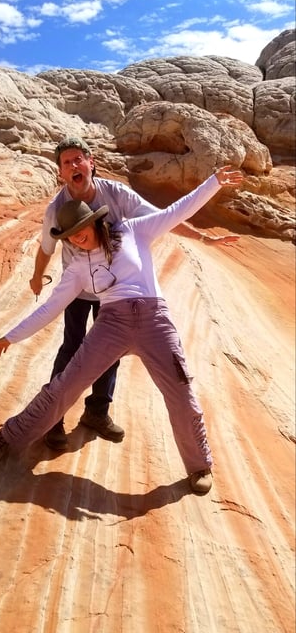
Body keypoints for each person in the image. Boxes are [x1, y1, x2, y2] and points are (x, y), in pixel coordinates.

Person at [0, 165, 243, 494]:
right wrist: (12, 335)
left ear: (93, 220)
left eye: (80, 228)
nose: (77, 237)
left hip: (154, 319)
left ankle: (199, 465)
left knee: (181, 392)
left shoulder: (134, 230)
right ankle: (9, 437)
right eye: (69, 234)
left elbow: (177, 211)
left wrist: (214, 181)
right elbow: (51, 308)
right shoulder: (77, 266)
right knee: (65, 387)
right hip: (112, 323)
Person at [30, 137, 237, 451]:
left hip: (114, 290)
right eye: (66, 163)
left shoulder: (115, 193)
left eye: (78, 160)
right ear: (60, 173)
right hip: (77, 286)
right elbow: (46, 247)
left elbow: (166, 217)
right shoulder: (55, 209)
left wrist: (202, 238)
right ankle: (53, 421)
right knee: (72, 347)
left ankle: (96, 413)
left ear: (91, 162)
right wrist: (36, 277)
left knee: (110, 352)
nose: (73, 166)